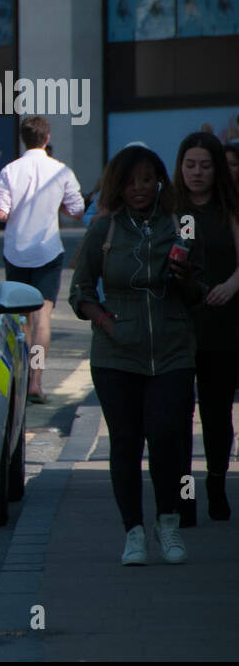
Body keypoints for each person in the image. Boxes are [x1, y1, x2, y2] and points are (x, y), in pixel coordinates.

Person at [69, 145, 207, 566]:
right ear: (118, 186)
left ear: (160, 181)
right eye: (131, 181)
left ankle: (168, 524)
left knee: (167, 438)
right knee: (126, 444)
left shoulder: (180, 224)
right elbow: (80, 291)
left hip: (172, 347)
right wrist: (106, 322)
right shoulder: (104, 229)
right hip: (116, 356)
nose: (140, 188)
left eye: (147, 179)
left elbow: (199, 292)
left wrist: (183, 278)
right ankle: (133, 531)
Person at [0, 116, 86, 403]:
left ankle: (18, 380)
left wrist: (11, 210)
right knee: (42, 317)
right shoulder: (61, 171)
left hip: (17, 251)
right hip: (47, 251)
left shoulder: (10, 170)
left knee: (21, 320)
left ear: (24, 139)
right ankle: (35, 381)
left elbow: (1, 213)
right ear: (46, 139)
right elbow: (78, 210)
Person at [172, 132, 239, 522]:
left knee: (216, 414)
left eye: (206, 165)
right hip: (179, 327)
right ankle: (185, 494)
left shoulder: (228, 209)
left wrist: (231, 285)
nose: (197, 173)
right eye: (190, 164)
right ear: (180, 166)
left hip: (222, 323)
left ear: (218, 169)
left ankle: (216, 483)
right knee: (177, 416)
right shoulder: (173, 210)